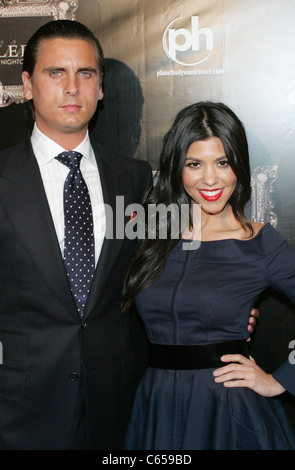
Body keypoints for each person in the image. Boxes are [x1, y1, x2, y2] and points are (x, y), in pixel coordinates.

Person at [0, 19, 153, 450]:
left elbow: (156, 272)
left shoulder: (135, 179)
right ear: (28, 85)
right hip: (18, 412)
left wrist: (216, 306)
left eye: (85, 73)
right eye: (56, 73)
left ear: (100, 87)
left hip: (115, 410)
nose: (72, 88)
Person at [121, 101, 295, 450]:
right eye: (195, 164)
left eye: (223, 162)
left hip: (229, 415)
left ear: (239, 167)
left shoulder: (258, 243)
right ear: (177, 170)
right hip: (155, 406)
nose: (210, 179)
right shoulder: (150, 233)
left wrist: (282, 379)